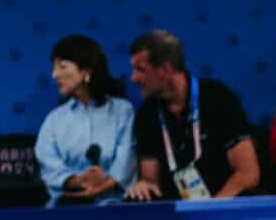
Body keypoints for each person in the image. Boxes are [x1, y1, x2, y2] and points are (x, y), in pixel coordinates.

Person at [125, 30, 260, 201]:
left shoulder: (218, 98)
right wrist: (144, 184)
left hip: (222, 204)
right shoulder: (147, 114)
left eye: (140, 69)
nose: (133, 78)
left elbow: (248, 174)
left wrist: (210, 212)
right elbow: (150, 179)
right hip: (175, 209)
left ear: (165, 69)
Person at [34, 34, 134, 206]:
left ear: (86, 72)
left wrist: (102, 185)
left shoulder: (123, 111)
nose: (54, 75)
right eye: (54, 68)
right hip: (67, 207)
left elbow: (127, 159)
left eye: (62, 67)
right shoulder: (54, 119)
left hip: (115, 205)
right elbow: (48, 164)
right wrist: (78, 181)